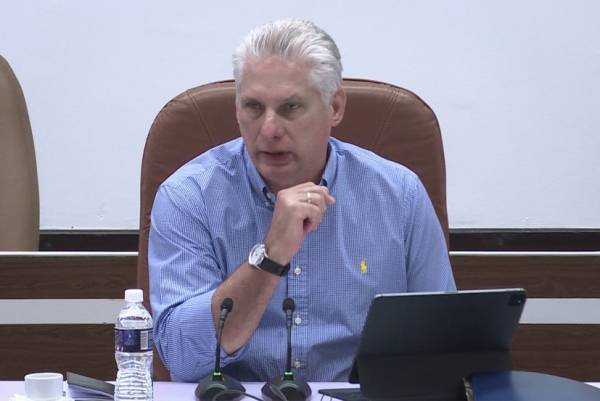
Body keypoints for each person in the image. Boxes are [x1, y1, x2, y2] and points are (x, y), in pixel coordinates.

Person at [148, 18, 456, 383]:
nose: (269, 129)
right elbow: (183, 358)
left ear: (335, 107)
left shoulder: (400, 195)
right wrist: (270, 255)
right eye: (253, 107)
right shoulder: (188, 197)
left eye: (291, 107)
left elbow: (442, 343)